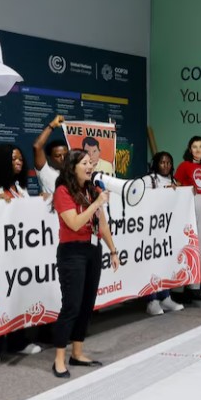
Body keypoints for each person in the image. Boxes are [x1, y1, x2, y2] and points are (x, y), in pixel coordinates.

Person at [50, 150, 119, 378]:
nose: (90, 166)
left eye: (91, 163)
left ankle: (77, 353)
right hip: (72, 253)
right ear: (72, 167)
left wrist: (112, 250)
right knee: (71, 305)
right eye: (85, 163)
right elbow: (75, 223)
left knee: (87, 304)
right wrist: (97, 202)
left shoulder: (91, 189)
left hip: (92, 250)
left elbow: (102, 225)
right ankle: (59, 359)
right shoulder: (62, 192)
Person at [0, 144, 43, 362]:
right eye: (14, 159)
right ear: (1, 161)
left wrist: (40, 202)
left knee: (18, 298)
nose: (19, 162)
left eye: (20, 158)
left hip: (18, 255)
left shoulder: (19, 188)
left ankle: (17, 341)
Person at [142, 151, 184, 315]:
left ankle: (165, 297)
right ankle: (152, 300)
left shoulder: (175, 181)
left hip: (168, 230)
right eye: (162, 162)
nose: (166, 166)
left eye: (169, 163)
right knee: (152, 265)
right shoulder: (148, 180)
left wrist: (179, 191)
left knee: (166, 264)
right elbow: (139, 199)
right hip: (151, 231)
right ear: (156, 164)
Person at [174, 136, 201, 302]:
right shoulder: (184, 166)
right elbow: (177, 186)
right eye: (194, 146)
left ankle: (194, 286)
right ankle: (178, 287)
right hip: (188, 203)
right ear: (189, 149)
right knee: (185, 243)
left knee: (199, 243)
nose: (197, 149)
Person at [32, 115, 69, 195]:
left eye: (65, 155)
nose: (62, 158)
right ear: (49, 158)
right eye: (58, 156)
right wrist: (52, 125)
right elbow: (37, 146)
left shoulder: (72, 173)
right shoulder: (45, 170)